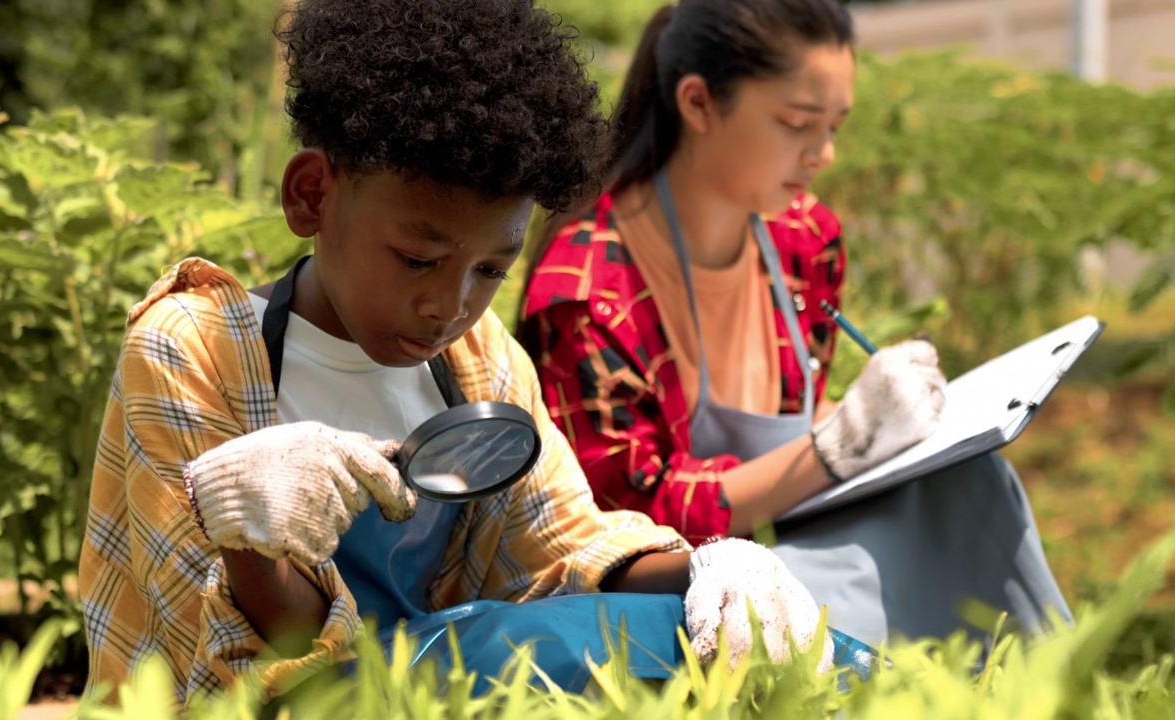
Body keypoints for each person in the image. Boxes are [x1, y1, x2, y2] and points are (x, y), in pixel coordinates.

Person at [77, 0, 840, 706]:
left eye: (489, 272)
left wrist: (710, 570)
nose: (449, 307)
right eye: (416, 259)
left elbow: (560, 546)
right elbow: (248, 663)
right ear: (312, 195)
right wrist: (248, 531)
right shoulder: (193, 350)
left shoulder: (482, 365)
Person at [519, 0, 1072, 648]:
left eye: (835, 125)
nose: (825, 154)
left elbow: (793, 412)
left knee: (971, 481)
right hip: (695, 581)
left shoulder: (805, 237)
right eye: (798, 123)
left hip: (798, 517)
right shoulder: (588, 294)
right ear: (698, 105)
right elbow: (627, 528)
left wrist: (886, 418)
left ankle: (1049, 676)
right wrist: (837, 446)